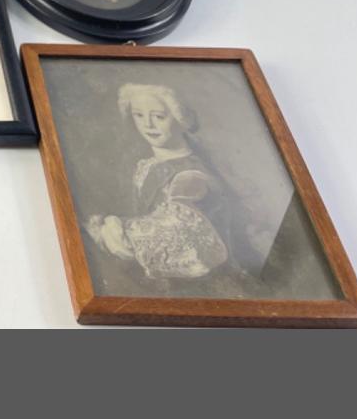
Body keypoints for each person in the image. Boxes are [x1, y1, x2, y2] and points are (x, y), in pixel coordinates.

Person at [86, 84, 251, 290]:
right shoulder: (146, 164)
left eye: (159, 116)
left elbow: (177, 228)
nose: (148, 124)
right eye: (139, 115)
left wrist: (119, 229)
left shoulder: (191, 175)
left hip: (202, 284)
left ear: (180, 118)